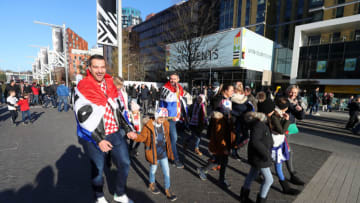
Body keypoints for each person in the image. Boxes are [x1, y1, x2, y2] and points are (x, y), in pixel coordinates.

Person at [73, 55, 137, 203]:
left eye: (102, 67)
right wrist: (99, 139)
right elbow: (82, 117)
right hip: (95, 136)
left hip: (114, 132)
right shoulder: (83, 86)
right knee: (98, 168)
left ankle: (119, 193)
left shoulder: (110, 83)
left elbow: (117, 109)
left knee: (125, 163)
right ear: (89, 68)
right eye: (96, 67)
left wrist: (128, 128)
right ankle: (99, 196)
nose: (100, 70)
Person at [133, 108, 177, 201]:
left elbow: (167, 138)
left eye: (164, 118)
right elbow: (142, 137)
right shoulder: (148, 126)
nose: (162, 120)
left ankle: (167, 189)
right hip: (154, 154)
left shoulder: (165, 124)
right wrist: (135, 136)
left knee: (167, 172)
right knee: (153, 170)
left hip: (163, 154)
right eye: (161, 118)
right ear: (156, 116)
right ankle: (152, 183)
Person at [197, 84, 235, 189]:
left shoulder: (228, 99)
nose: (233, 92)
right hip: (219, 132)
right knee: (221, 158)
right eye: (231, 90)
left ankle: (207, 172)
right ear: (225, 90)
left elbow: (229, 113)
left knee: (222, 159)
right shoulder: (218, 99)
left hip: (226, 130)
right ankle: (217, 177)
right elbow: (214, 115)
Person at [265, 97, 300, 195]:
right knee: (277, 163)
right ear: (284, 108)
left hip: (278, 142)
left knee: (276, 163)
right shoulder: (275, 115)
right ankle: (285, 187)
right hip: (275, 143)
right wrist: (287, 120)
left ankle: (285, 186)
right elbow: (281, 131)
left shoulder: (277, 113)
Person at [240, 110, 274, 203]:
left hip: (257, 155)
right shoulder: (259, 125)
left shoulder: (259, 124)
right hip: (260, 157)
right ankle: (261, 200)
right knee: (269, 180)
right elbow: (255, 141)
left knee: (252, 175)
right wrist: (266, 154)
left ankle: (244, 196)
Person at [159, 73, 188, 169]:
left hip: (178, 117)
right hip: (169, 118)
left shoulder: (179, 87)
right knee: (174, 139)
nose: (172, 80)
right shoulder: (165, 88)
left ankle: (167, 154)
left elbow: (181, 100)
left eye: (174, 79)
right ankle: (175, 159)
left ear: (178, 79)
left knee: (172, 139)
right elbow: (164, 103)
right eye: (171, 79)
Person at [285, 85, 305, 185]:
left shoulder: (296, 102)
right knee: (288, 151)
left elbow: (301, 117)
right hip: (282, 129)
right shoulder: (284, 100)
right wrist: (295, 107)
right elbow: (290, 109)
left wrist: (300, 110)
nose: (293, 94)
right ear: (287, 91)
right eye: (291, 92)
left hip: (290, 128)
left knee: (278, 150)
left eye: (295, 93)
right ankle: (292, 174)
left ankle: (259, 169)